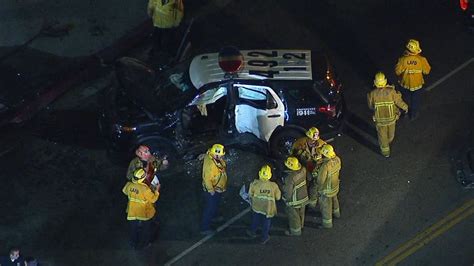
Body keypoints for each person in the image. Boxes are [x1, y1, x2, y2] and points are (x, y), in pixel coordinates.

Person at [367, 72, 408, 157]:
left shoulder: (372, 94)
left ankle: (386, 153)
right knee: (391, 135)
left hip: (380, 121)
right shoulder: (391, 91)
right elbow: (399, 102)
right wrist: (405, 107)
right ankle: (388, 141)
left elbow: (370, 106)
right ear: (385, 81)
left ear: (375, 83)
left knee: (383, 138)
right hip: (391, 119)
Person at [122, 168, 160, 249]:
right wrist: (157, 190)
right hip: (144, 213)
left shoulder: (129, 185)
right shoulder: (145, 189)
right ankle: (145, 244)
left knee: (133, 230)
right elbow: (153, 199)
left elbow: (124, 191)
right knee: (146, 230)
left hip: (132, 213)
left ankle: (133, 244)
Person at [395, 39, 431, 120]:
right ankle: (413, 115)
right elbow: (427, 71)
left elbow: (397, 72)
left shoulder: (402, 59)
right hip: (417, 86)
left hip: (404, 85)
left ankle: (405, 112)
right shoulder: (422, 59)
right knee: (415, 101)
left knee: (404, 100)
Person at [246, 165, 281, 244]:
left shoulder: (254, 183)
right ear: (270, 175)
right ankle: (264, 237)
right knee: (266, 223)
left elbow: (250, 194)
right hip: (268, 209)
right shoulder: (274, 186)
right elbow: (278, 197)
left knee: (255, 220)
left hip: (256, 207)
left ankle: (252, 232)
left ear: (259, 173)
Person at [200, 144, 228, 235]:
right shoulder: (210, 165)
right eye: (221, 155)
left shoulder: (212, 156)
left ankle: (215, 216)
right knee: (209, 208)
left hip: (218, 188)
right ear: (216, 155)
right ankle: (205, 228)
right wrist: (211, 190)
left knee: (215, 203)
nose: (223, 156)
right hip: (212, 189)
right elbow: (207, 179)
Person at [315, 144, 341, 229]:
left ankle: (327, 224)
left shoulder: (325, 166)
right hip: (335, 186)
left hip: (326, 190)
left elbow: (320, 180)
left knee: (326, 206)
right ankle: (337, 213)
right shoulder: (337, 159)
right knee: (335, 200)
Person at [282, 157, 309, 236]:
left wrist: (286, 199)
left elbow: (288, 192)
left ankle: (295, 231)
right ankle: (301, 225)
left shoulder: (290, 178)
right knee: (301, 213)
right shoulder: (303, 170)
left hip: (294, 200)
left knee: (294, 216)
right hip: (304, 196)